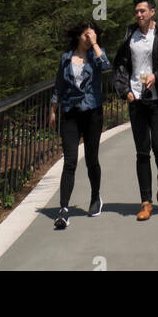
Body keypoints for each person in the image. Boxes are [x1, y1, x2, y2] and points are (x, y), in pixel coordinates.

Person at [112, 0, 158, 221]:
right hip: (137, 100)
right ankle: (145, 203)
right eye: (136, 12)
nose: (138, 15)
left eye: (142, 11)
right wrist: (126, 92)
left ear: (152, 12)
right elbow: (120, 66)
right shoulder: (129, 36)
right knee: (142, 152)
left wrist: (157, 76)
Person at [49, 20, 109, 229]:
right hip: (70, 113)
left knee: (92, 159)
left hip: (92, 113)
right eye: (86, 35)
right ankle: (64, 208)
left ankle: (95, 197)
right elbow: (59, 85)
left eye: (93, 35)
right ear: (78, 37)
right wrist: (53, 109)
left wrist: (94, 45)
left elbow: (106, 66)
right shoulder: (66, 59)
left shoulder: (96, 56)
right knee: (70, 161)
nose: (90, 38)